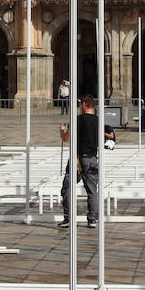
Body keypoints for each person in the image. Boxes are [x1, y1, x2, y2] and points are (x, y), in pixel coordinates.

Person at [59, 95, 114, 228]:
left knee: (67, 188)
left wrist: (62, 131)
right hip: (92, 159)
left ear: (84, 104)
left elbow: (66, 138)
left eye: (80, 105)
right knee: (92, 190)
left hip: (78, 159)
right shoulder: (99, 121)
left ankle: (68, 218)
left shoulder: (77, 119)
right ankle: (92, 219)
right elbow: (110, 135)